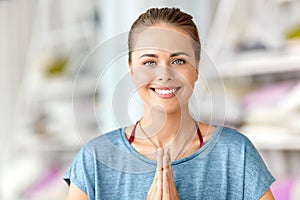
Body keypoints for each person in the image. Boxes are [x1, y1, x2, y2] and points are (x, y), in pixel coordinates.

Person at [64, 7, 275, 199]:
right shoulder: (94, 161)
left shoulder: (236, 153)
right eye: (149, 62)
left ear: (196, 68)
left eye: (178, 61)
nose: (164, 74)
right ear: (131, 68)